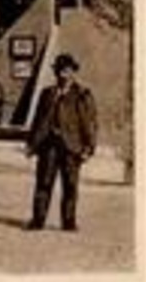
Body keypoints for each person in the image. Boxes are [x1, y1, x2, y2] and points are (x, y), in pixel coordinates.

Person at [25, 52, 98, 231]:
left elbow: (89, 122)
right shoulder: (47, 93)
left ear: (73, 72)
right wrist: (31, 143)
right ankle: (38, 220)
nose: (63, 75)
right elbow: (37, 120)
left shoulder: (82, 94)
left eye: (67, 71)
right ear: (56, 73)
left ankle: (69, 222)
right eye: (60, 71)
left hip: (72, 146)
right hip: (49, 145)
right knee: (43, 183)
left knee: (70, 185)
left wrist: (89, 147)